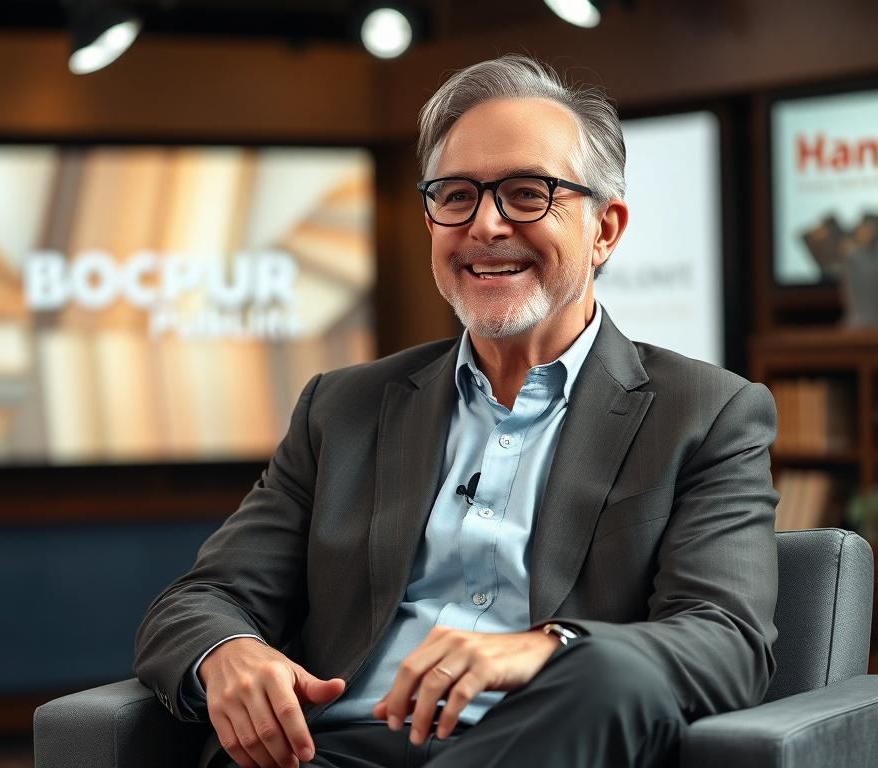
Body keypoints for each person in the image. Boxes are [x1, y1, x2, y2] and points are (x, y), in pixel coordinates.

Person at [134, 55, 779, 768]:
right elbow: (199, 601)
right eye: (456, 195)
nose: (486, 225)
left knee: (609, 674)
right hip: (335, 752)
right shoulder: (341, 409)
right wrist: (228, 653)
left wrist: (544, 648)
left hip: (545, 741)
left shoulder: (708, 413)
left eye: (528, 194)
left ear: (605, 230)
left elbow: (727, 642)